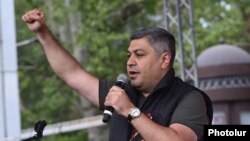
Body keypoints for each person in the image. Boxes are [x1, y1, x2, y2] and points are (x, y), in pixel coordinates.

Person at [22, 9, 213, 141]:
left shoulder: (190, 98)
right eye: (129, 55)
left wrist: (130, 111)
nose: (130, 62)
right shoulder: (121, 92)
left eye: (139, 55)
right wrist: (43, 33)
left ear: (164, 60)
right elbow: (71, 73)